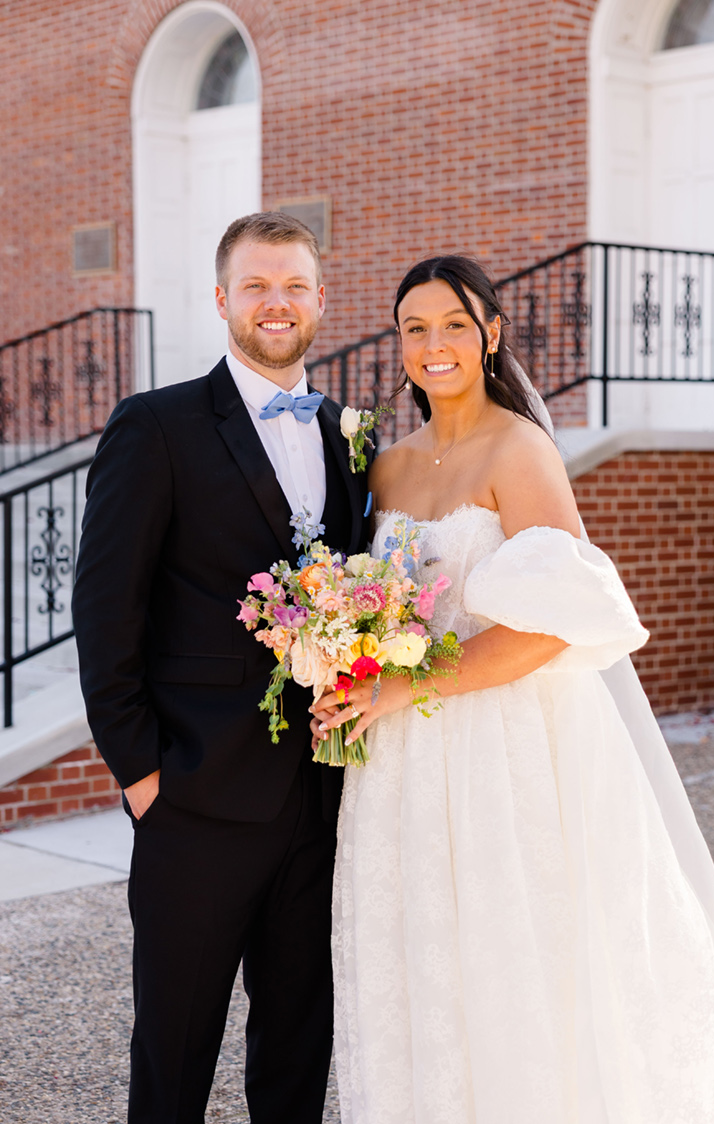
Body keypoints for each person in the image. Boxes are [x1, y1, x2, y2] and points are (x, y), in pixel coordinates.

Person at [311, 255, 714, 1122]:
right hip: (401, 761)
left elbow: (556, 623)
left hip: (500, 742)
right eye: (415, 328)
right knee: (423, 953)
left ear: (492, 335)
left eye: (455, 326)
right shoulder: (386, 467)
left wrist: (407, 686)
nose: (434, 346)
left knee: (511, 952)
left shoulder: (521, 449)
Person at [74, 211, 364, 1122]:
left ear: (320, 300)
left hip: (321, 804)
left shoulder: (346, 436)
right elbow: (104, 610)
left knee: (297, 1047)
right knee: (175, 1051)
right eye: (255, 287)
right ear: (222, 300)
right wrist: (142, 774)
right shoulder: (154, 426)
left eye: (292, 287)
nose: (275, 305)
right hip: (194, 799)